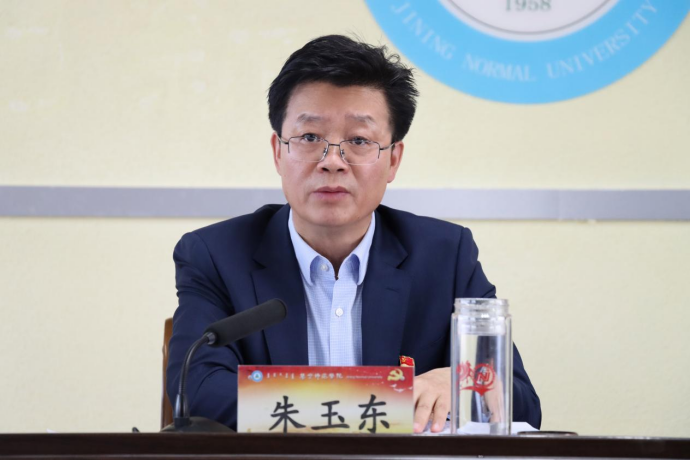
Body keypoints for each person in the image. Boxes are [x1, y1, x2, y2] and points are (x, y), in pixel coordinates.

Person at [167, 35, 541, 432]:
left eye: (359, 140)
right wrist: (391, 401)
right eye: (310, 137)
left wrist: (457, 385)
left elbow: (520, 401)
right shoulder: (216, 255)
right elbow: (199, 392)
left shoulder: (445, 255)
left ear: (393, 160)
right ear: (278, 151)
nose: (332, 161)